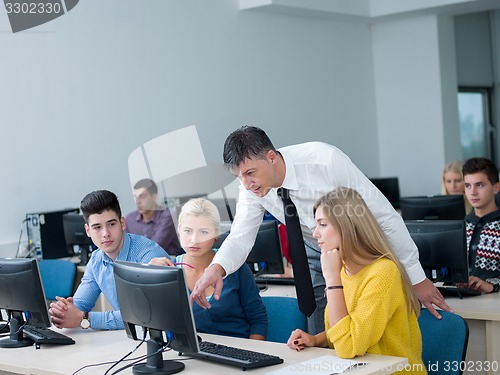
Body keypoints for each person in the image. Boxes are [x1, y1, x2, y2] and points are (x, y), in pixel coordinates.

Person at [191, 126, 450, 335]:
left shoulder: (324, 160)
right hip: (314, 251)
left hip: (359, 249)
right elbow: (241, 236)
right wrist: (216, 269)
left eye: (250, 173)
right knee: (321, 328)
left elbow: (383, 215)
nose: (246, 184)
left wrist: (417, 277)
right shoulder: (251, 187)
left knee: (366, 326)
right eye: (239, 177)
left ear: (271, 157)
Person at [287, 188, 426, 374]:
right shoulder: (344, 269)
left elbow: (348, 346)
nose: (315, 234)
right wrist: (316, 339)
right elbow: (346, 329)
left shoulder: (383, 273)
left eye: (323, 224)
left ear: (348, 226)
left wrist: (332, 280)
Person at [49, 190, 168, 330]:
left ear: (122, 223)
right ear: (88, 231)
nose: (105, 234)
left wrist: (85, 318)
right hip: (135, 338)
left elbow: (144, 315)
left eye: (111, 224)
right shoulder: (96, 260)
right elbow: (79, 306)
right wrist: (62, 313)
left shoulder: (148, 255)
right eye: (97, 227)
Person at [151, 198, 267, 339]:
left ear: (216, 235)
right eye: (187, 231)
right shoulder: (168, 271)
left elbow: (258, 320)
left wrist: (252, 354)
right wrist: (149, 279)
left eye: (204, 232)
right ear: (179, 232)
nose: (194, 240)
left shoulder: (233, 266)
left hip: (240, 352)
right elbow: (157, 323)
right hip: (193, 356)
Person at [457, 157, 500, 293]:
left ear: (496, 187)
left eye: (479, 185)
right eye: (468, 185)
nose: (473, 192)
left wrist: (492, 285)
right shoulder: (460, 226)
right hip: (461, 300)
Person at [125, 178, 181, 255]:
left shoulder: (167, 216)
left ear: (154, 197)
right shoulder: (130, 219)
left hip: (167, 263)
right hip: (139, 264)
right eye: (136, 197)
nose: (138, 202)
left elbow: (154, 248)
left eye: (142, 196)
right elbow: (125, 248)